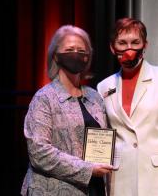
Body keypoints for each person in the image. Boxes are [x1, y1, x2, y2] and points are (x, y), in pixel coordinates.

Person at [97, 18, 158, 196]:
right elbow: (105, 133)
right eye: (122, 43)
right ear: (112, 47)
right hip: (119, 179)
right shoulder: (104, 87)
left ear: (145, 45)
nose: (128, 49)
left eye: (135, 42)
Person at [21, 25, 113, 196]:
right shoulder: (44, 98)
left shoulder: (95, 97)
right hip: (52, 190)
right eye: (70, 49)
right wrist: (88, 169)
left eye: (81, 50)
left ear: (87, 57)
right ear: (56, 56)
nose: (76, 54)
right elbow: (39, 152)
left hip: (92, 188)